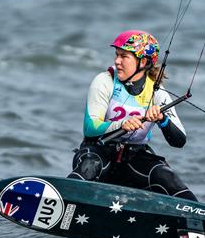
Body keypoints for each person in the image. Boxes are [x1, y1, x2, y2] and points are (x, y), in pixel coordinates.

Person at [68, 30, 197, 201]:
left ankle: (200, 221)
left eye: (124, 56)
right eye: (116, 55)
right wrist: (121, 125)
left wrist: (162, 119)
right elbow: (90, 128)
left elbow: (179, 141)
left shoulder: (158, 93)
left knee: (167, 177)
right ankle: (63, 201)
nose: (117, 61)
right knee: (89, 165)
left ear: (143, 62)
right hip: (98, 151)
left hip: (135, 158)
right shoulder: (104, 81)